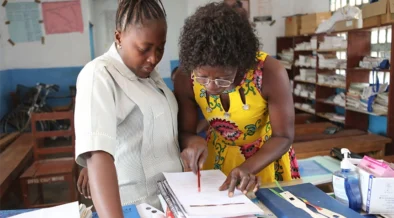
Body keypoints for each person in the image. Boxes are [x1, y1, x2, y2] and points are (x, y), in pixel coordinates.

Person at [174, 2, 300, 197]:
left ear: (241, 64)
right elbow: (185, 131)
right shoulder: (186, 78)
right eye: (203, 77)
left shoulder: (270, 73)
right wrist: (193, 142)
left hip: (264, 158)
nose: (211, 86)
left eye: (223, 77)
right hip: (216, 157)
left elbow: (283, 136)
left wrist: (249, 167)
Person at [74, 0, 182, 217]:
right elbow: (98, 155)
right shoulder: (99, 75)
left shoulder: (150, 76)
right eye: (144, 49)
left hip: (169, 203)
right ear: (119, 37)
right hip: (133, 207)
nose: (153, 58)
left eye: (160, 48)